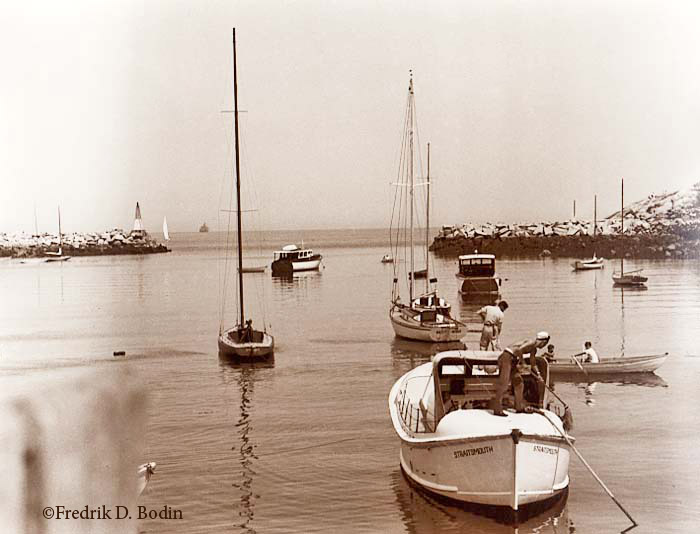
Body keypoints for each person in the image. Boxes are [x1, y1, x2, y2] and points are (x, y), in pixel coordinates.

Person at [491, 331, 550, 416]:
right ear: (544, 341)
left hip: (513, 360)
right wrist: (522, 362)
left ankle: (519, 407)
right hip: (507, 357)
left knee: (519, 383)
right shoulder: (531, 342)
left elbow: (533, 363)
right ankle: (497, 409)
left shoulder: (534, 349)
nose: (544, 346)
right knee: (503, 385)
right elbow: (518, 350)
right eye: (545, 344)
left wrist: (538, 374)